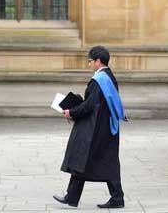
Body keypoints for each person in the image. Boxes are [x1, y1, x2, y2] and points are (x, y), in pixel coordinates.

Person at [54, 46, 127, 209]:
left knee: (84, 158)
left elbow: (89, 106)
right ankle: (114, 197)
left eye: (90, 61)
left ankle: (74, 197)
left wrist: (71, 111)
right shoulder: (109, 78)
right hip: (107, 127)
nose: (88, 64)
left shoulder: (100, 80)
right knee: (105, 162)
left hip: (96, 129)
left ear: (98, 61)